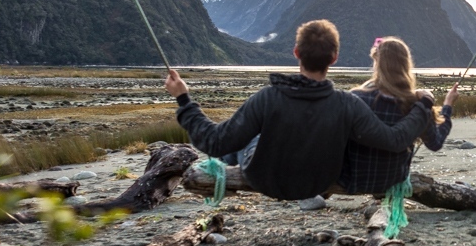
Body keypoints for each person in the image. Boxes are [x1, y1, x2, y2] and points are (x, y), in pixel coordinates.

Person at [164, 20, 433, 201]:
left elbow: (213, 141)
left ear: (296, 53)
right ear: (334, 58)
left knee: (244, 140)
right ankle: (234, 154)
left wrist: (184, 100)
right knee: (251, 138)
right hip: (318, 183)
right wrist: (423, 105)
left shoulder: (268, 98)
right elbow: (394, 140)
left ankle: (230, 158)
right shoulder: (347, 104)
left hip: (265, 180)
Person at [338, 36, 460, 195]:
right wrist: (448, 105)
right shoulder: (417, 105)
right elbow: (435, 143)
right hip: (392, 180)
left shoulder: (355, 98)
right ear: (405, 65)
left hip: (353, 181)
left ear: (377, 63)